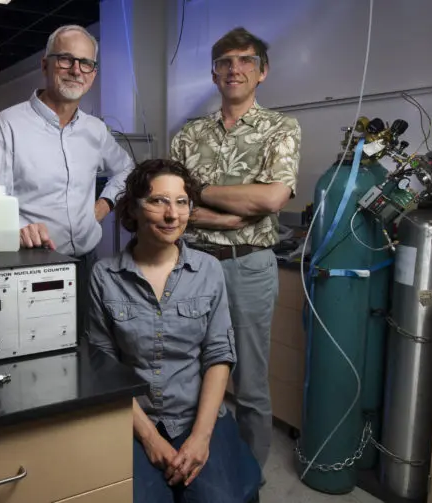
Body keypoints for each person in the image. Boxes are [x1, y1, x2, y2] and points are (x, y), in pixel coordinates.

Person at [87, 159, 261, 502]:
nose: (172, 215)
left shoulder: (208, 270)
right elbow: (102, 367)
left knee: (219, 497)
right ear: (133, 209)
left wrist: (201, 437)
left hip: (195, 415)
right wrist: (150, 438)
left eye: (181, 202)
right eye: (158, 201)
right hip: (134, 419)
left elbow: (218, 356)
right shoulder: (105, 277)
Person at [170, 27, 302, 472]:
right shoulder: (188, 135)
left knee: (249, 383)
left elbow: (271, 200)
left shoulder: (281, 128)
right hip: (190, 263)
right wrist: (225, 214)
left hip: (248, 268)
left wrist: (199, 193)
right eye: (226, 62)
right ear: (213, 73)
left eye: (246, 61)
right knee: (184, 368)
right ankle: (189, 459)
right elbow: (171, 208)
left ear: (262, 72)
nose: (235, 69)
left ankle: (247, 473)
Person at [0, 24, 134, 332]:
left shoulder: (95, 130)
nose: (76, 70)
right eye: (65, 59)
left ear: (93, 72)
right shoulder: (8, 125)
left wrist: (104, 205)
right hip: (33, 266)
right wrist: (20, 229)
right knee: (38, 353)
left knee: (86, 350)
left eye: (85, 63)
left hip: (88, 263)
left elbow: (127, 169)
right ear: (45, 64)